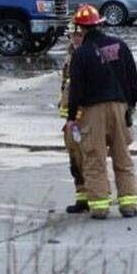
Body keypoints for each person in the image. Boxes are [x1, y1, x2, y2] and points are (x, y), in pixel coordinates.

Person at [65, 4, 137, 220]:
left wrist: (72, 118)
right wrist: (130, 106)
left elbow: (76, 89)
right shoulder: (120, 46)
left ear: (81, 28)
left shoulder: (82, 54)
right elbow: (133, 81)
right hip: (120, 106)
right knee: (122, 155)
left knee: (94, 157)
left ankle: (99, 207)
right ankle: (128, 205)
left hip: (92, 110)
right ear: (99, 24)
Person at [58, 25, 87, 213]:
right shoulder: (70, 57)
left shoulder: (87, 56)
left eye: (79, 34)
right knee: (75, 162)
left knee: (90, 159)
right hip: (71, 119)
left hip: (86, 117)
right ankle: (81, 197)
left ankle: (97, 195)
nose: (75, 38)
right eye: (73, 35)